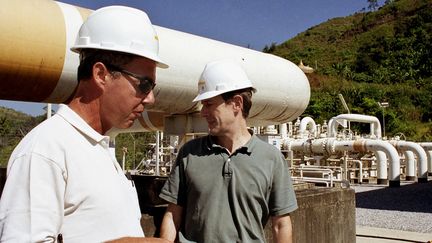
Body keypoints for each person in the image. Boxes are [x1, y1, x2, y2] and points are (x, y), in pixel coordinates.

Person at [0, 6, 171, 243]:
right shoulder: (45, 150)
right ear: (101, 74)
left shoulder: (99, 149)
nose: (150, 98)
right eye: (144, 84)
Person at [159, 60, 298, 243]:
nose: (203, 112)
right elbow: (172, 215)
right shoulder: (189, 153)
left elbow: (281, 224)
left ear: (236, 104)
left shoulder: (271, 159)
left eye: (209, 104)